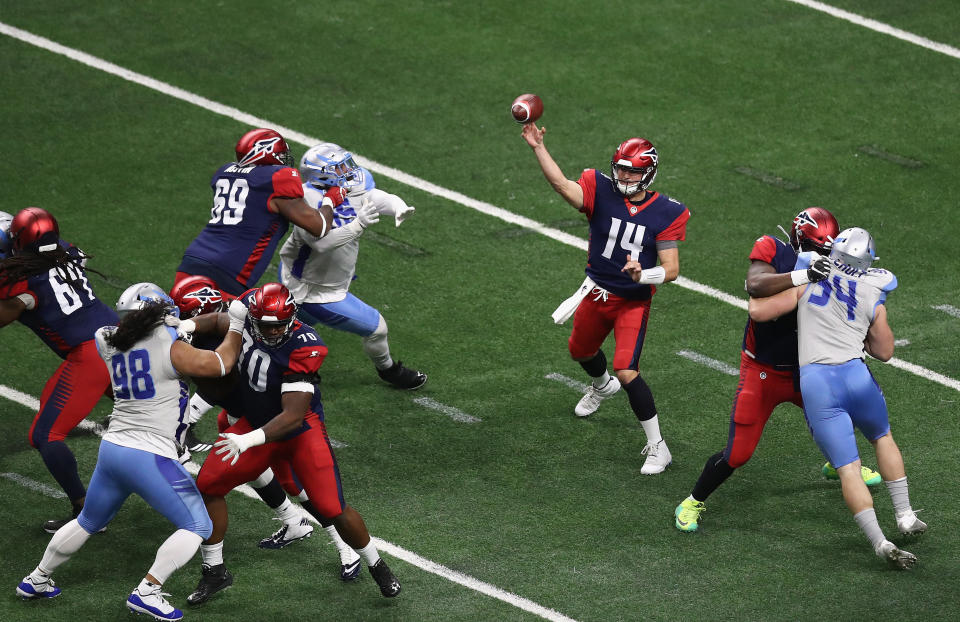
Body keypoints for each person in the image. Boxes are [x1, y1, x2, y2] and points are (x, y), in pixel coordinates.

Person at [15, 282, 246, 620]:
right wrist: (236, 326)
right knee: (198, 524)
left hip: (113, 450)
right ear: (157, 313)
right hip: (149, 454)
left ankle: (36, 579)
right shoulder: (171, 346)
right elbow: (220, 364)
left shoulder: (106, 339)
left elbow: (128, 332)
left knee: (89, 520)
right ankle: (148, 591)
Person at [186, 283, 401, 605]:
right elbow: (219, 323)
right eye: (265, 326)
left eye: (277, 326)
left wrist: (247, 439)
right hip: (256, 423)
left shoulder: (306, 347)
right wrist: (187, 325)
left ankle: (376, 564)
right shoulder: (246, 314)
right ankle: (214, 571)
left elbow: (293, 416)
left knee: (332, 508)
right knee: (209, 484)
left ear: (292, 318)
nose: (271, 332)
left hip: (299, 433)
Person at [674, 208, 882, 532]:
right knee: (738, 453)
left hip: (809, 368)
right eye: (821, 250)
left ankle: (834, 462)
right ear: (801, 241)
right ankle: (694, 500)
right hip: (764, 370)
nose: (828, 258)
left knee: (841, 416)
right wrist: (804, 276)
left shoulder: (838, 268)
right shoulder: (773, 249)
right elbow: (755, 285)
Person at [748, 227, 923, 569]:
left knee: (848, 470)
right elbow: (884, 350)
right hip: (856, 376)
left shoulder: (811, 274)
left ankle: (879, 542)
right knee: (882, 436)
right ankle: (904, 515)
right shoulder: (875, 287)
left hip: (818, 382)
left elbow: (759, 312)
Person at [521, 124, 690, 475]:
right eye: (622, 168)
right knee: (580, 352)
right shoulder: (600, 189)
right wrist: (539, 147)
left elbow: (671, 269)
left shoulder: (667, 212)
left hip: (632, 301)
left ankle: (659, 448)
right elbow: (562, 186)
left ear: (649, 173)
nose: (625, 176)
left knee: (627, 370)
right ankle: (601, 386)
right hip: (595, 291)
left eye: (633, 170)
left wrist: (643, 274)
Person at [169, 276, 363, 580]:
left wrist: (187, 421)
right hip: (242, 417)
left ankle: (344, 545)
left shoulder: (244, 325)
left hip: (266, 419)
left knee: (295, 483)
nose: (183, 319)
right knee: (258, 472)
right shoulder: (238, 320)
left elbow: (217, 381)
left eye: (186, 314)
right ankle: (292, 522)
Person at [0, 207, 118, 532]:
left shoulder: (21, 280)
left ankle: (87, 511)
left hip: (90, 354)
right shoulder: (66, 251)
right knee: (147, 416)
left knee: (45, 435)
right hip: (121, 336)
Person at [278, 141, 426, 390]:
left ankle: (282, 366)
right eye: (339, 167)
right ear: (321, 175)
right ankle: (388, 370)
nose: (349, 170)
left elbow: (374, 198)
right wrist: (359, 225)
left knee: (289, 331)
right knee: (376, 328)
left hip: (322, 280)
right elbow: (322, 244)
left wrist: (397, 206)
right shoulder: (303, 200)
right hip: (314, 289)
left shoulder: (349, 185)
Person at [174, 128, 343, 299]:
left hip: (192, 261)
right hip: (228, 271)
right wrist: (331, 199)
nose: (284, 159)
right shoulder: (276, 178)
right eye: (281, 155)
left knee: (182, 320)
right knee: (230, 324)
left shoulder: (224, 172)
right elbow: (319, 227)